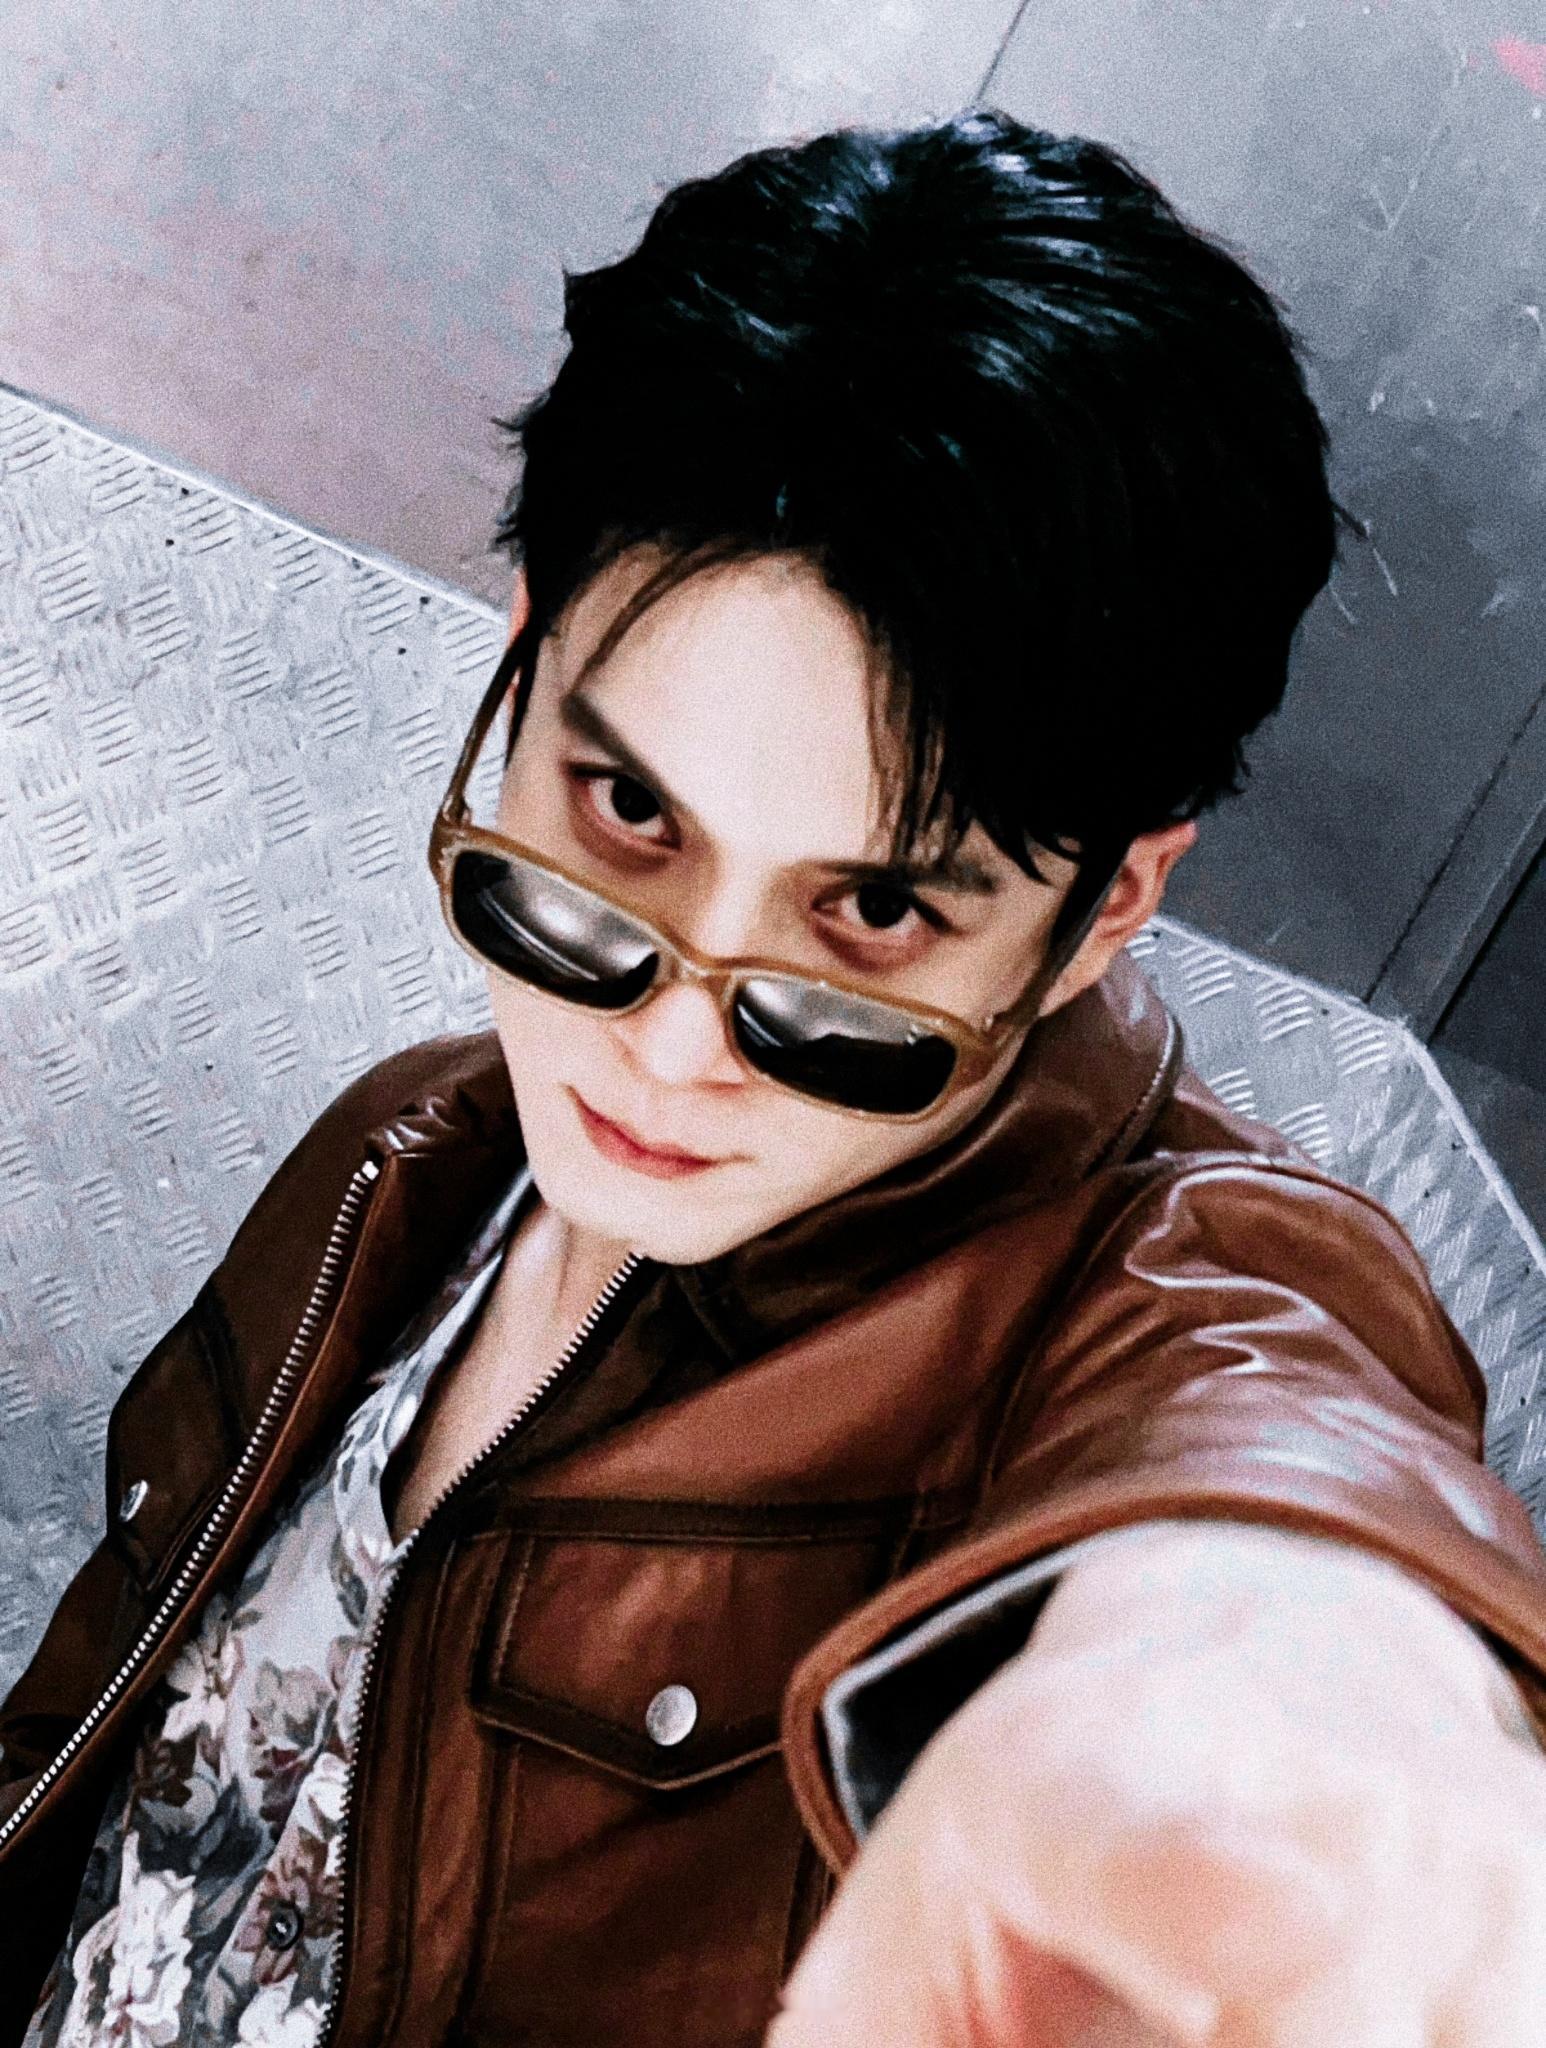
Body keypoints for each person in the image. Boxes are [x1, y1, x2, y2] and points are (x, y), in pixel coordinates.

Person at [3, 106, 1545, 2048]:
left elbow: (1274, 1458)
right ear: (522, 657)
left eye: (871, 916)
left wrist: (1283, 1689)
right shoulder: (405, 1158)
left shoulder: (1147, 1301)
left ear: (1102, 912)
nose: (663, 1041)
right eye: (625, 811)